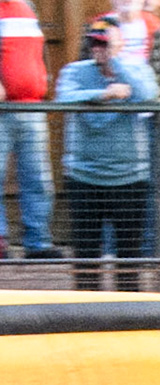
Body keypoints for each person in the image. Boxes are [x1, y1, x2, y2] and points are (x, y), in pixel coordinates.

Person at [56, 18, 157, 291]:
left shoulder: (137, 69)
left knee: (129, 255)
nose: (99, 49)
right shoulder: (74, 71)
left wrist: (118, 64)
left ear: (121, 43)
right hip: (84, 177)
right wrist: (105, 94)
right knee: (86, 254)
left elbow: (149, 94)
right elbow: (63, 97)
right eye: (96, 43)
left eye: (106, 43)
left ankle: (128, 313)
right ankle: (86, 313)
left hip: (130, 178)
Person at [0, 0, 56, 260]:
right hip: (2, 111)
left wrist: (44, 77)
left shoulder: (28, 6)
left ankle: (38, 243)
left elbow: (38, 47)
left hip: (32, 106)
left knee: (39, 180)